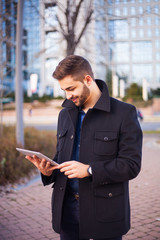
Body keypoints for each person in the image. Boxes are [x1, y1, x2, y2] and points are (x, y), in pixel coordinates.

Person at [26, 55, 143, 240]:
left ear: (87, 80)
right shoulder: (64, 115)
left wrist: (89, 170)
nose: (68, 96)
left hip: (104, 214)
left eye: (71, 88)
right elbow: (62, 158)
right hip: (67, 213)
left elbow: (131, 165)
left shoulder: (124, 113)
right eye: (64, 90)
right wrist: (48, 171)